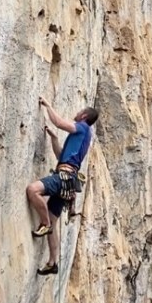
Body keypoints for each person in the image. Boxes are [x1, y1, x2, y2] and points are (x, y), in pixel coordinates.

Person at [26, 97, 99, 276]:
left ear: (83, 115)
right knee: (54, 222)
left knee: (32, 190)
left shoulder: (82, 128)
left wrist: (47, 104)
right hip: (68, 179)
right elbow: (62, 157)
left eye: (79, 111)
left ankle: (44, 223)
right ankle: (52, 262)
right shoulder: (82, 137)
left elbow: (58, 122)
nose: (76, 113)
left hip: (63, 178)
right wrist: (54, 140)